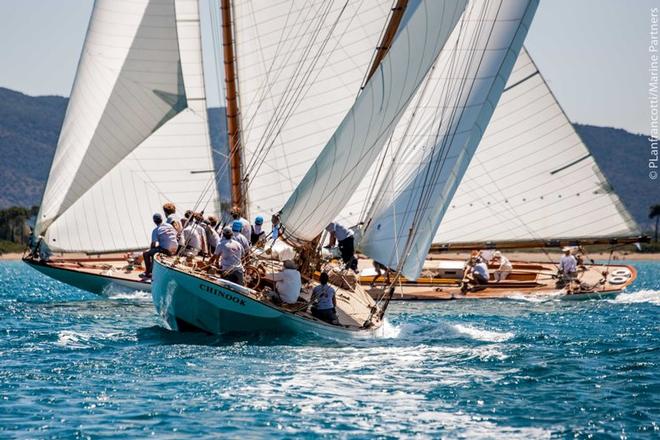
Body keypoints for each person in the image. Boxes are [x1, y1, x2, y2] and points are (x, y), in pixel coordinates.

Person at [142, 213, 178, 278]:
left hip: (166, 249)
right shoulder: (169, 225)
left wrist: (152, 250)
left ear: (154, 221)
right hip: (176, 248)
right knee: (156, 250)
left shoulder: (156, 230)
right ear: (162, 219)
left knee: (146, 253)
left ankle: (148, 272)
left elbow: (153, 244)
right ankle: (152, 270)